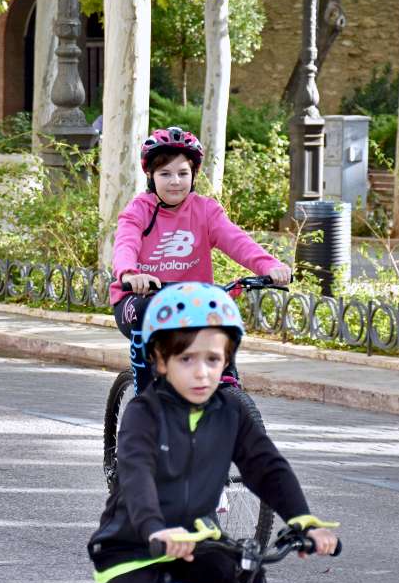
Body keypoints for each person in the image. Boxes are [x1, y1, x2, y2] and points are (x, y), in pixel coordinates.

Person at [87, 282, 338, 583]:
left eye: (213, 358)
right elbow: (136, 476)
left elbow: (267, 468)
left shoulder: (229, 411)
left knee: (248, 570)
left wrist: (304, 521)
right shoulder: (143, 414)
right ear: (160, 360)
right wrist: (154, 528)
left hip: (194, 539)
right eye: (186, 358)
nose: (202, 371)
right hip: (133, 544)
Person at [111, 127, 292, 393]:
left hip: (191, 299)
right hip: (139, 297)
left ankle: (227, 389)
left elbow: (237, 241)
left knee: (220, 318)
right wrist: (129, 274)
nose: (175, 181)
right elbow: (125, 244)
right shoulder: (139, 210)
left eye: (183, 173)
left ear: (194, 175)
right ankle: (145, 399)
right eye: (165, 174)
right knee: (145, 311)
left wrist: (270, 266)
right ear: (150, 176)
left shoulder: (205, 211)